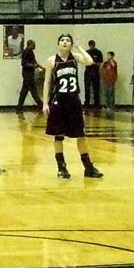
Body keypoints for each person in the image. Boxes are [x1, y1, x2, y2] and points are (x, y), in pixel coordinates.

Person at [43, 34, 103, 179]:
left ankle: (88, 167)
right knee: (58, 136)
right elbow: (47, 82)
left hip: (74, 101)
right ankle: (61, 167)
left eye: (68, 40)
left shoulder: (75, 57)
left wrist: (79, 47)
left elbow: (89, 61)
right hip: (58, 101)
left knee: (80, 135)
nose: (65, 42)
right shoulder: (52, 60)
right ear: (58, 44)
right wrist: (45, 103)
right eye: (62, 40)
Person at [17, 39, 43, 110]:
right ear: (30, 45)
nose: (35, 46)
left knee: (24, 91)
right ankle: (41, 105)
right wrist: (33, 66)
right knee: (33, 90)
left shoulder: (31, 52)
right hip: (27, 75)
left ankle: (19, 106)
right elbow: (23, 63)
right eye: (33, 45)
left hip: (29, 74)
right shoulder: (26, 52)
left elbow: (34, 62)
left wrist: (41, 67)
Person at [83, 39, 104, 107]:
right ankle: (87, 104)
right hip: (88, 72)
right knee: (87, 89)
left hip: (95, 72)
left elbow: (100, 63)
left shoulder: (98, 52)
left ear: (94, 45)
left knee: (96, 89)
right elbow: (83, 61)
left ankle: (97, 104)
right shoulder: (86, 52)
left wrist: (95, 63)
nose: (91, 47)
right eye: (90, 46)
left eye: (92, 46)